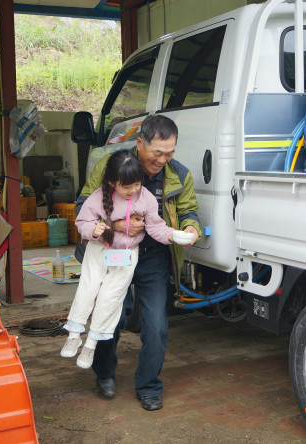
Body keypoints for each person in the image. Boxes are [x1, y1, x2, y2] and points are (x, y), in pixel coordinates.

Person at [75, 114, 201, 411]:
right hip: (115, 255)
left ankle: (148, 386)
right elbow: (83, 207)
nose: (163, 159)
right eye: (157, 152)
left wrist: (191, 227)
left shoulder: (178, 174)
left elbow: (188, 211)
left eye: (170, 152)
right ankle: (104, 374)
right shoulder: (111, 166)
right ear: (140, 143)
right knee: (111, 317)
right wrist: (116, 226)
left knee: (156, 326)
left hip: (153, 258)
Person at [61, 150, 177, 369]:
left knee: (110, 298)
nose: (133, 190)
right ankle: (74, 333)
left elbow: (156, 226)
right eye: (127, 186)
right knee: (87, 289)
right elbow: (82, 221)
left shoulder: (147, 198)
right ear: (112, 182)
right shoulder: (98, 197)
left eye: (137, 184)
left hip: (126, 255)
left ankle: (91, 343)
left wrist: (171, 235)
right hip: (98, 251)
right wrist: (93, 230)